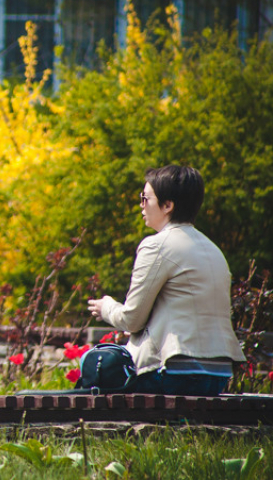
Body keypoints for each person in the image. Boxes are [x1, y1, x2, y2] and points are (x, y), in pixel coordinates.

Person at [88, 165, 245, 396]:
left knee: (95, 371)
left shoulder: (157, 245)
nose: (141, 204)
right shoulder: (213, 250)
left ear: (167, 205)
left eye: (145, 198)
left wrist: (106, 308)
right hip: (218, 374)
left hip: (172, 373)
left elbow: (132, 320)